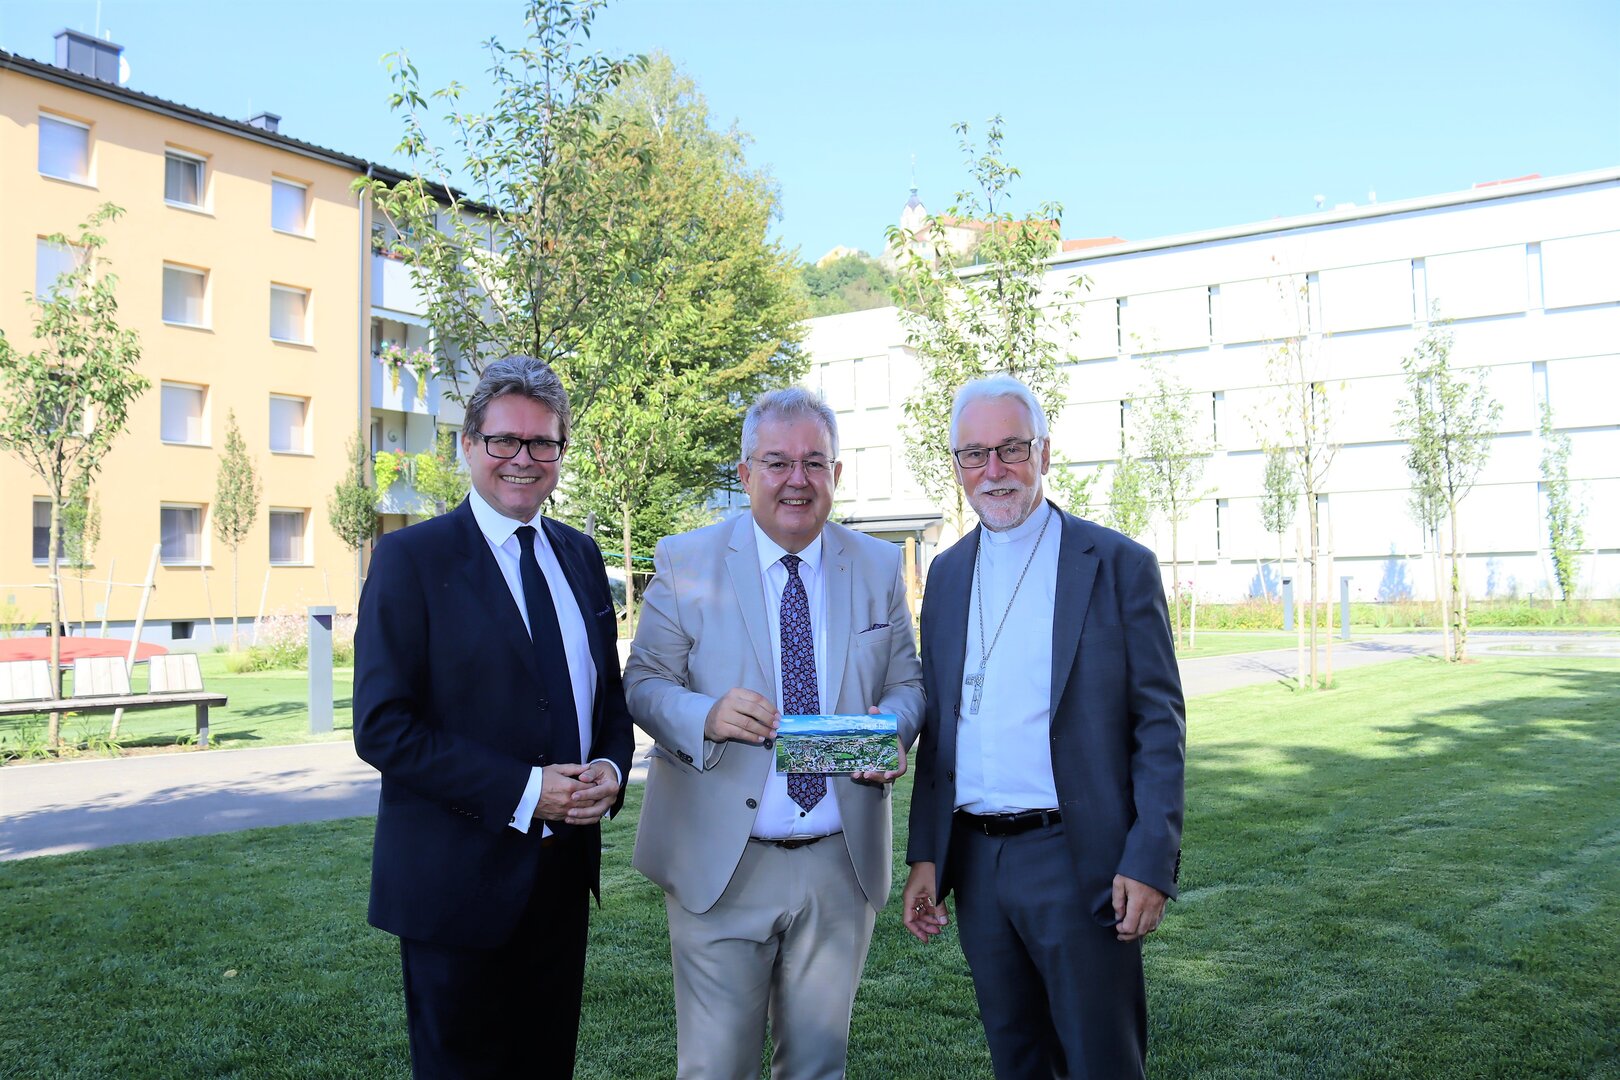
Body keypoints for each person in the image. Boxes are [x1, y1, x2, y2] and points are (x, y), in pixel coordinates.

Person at [625, 386, 923, 1079]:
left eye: (815, 463)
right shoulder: (686, 560)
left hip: (838, 865)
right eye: (778, 462)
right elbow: (642, 682)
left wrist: (890, 731)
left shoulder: (878, 567)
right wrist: (705, 716)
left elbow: (908, 686)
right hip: (721, 863)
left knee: (819, 1067)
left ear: (837, 475)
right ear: (745, 474)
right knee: (717, 1070)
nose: (798, 480)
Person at [354, 355, 635, 1078]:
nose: (523, 459)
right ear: (467, 446)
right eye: (503, 441)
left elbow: (606, 696)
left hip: (563, 881)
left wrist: (608, 765)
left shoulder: (579, 554)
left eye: (543, 443)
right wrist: (524, 790)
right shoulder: (409, 559)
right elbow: (382, 725)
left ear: (561, 452)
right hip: (455, 888)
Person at [901, 374, 1186, 1080]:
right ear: (957, 466)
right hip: (977, 863)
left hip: (1079, 858)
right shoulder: (946, 574)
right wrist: (925, 856)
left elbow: (1159, 725)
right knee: (1016, 1058)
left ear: (1045, 453)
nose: (993, 472)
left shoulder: (1118, 566)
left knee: (1101, 1061)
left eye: (1011, 450)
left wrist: (1148, 858)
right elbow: (941, 726)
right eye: (974, 455)